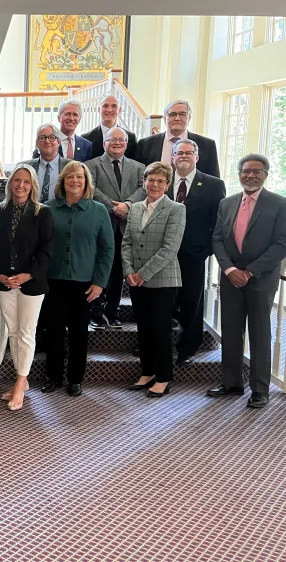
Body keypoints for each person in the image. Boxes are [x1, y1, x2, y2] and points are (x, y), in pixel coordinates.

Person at [208, 154, 286, 409]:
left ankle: (259, 389)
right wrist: (230, 269)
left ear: (265, 174)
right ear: (239, 174)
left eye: (256, 171)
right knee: (231, 332)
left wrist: (250, 271)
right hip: (231, 277)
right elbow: (217, 239)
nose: (250, 175)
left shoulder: (280, 204)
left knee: (259, 334)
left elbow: (282, 244)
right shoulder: (227, 203)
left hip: (260, 279)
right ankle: (232, 383)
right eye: (245, 171)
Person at [40, 161, 114, 397]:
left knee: (78, 332)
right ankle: (53, 376)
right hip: (53, 281)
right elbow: (39, 245)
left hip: (85, 283)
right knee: (53, 331)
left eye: (80, 177)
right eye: (70, 177)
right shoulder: (48, 209)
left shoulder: (99, 210)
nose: (75, 181)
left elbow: (107, 250)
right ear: (62, 181)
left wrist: (100, 283)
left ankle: (75, 379)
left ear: (86, 182)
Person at [0, 165, 54, 411]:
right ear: (10, 183)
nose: (21, 185)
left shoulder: (42, 213)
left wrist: (28, 275)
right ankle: (22, 379)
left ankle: (19, 383)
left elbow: (47, 251)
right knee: (13, 332)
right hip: (4, 282)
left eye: (26, 181)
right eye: (17, 180)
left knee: (26, 333)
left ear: (33, 185)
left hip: (31, 283)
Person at [122, 162, 186, 397]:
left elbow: (170, 249)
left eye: (160, 181)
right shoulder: (136, 208)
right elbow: (126, 241)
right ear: (144, 182)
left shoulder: (176, 209)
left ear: (167, 185)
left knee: (160, 330)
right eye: (151, 180)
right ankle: (147, 372)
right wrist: (128, 271)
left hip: (163, 281)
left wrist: (142, 274)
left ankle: (164, 377)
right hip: (136, 280)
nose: (155, 184)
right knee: (144, 330)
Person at [167, 138, 226, 365]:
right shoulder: (161, 181)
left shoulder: (213, 185)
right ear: (172, 157)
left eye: (188, 153)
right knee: (164, 301)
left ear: (197, 157)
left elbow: (219, 222)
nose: (183, 156)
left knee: (192, 302)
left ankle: (187, 347)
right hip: (164, 254)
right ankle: (157, 344)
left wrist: (207, 250)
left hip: (195, 254)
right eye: (179, 153)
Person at [86, 126, 146, 330]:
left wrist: (127, 205)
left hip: (127, 227)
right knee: (99, 268)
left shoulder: (139, 167)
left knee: (119, 271)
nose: (117, 143)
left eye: (121, 140)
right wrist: (114, 207)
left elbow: (143, 188)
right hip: (102, 224)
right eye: (112, 140)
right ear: (104, 143)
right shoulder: (91, 165)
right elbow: (90, 189)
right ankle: (96, 313)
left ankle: (112, 311)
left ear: (127, 144)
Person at [136, 100, 220, 177]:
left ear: (189, 118)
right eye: (172, 114)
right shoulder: (145, 144)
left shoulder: (207, 145)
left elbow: (214, 180)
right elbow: (137, 177)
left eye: (182, 114)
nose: (177, 118)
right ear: (165, 118)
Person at [21, 123, 74, 203]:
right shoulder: (24, 167)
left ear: (59, 142)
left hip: (60, 213)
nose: (47, 141)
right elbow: (2, 191)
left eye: (52, 137)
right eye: (42, 138)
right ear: (37, 143)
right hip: (31, 213)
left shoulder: (71, 167)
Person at [84, 94, 138, 160]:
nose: (109, 110)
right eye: (105, 106)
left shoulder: (131, 138)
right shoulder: (86, 138)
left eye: (114, 106)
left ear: (119, 110)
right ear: (99, 110)